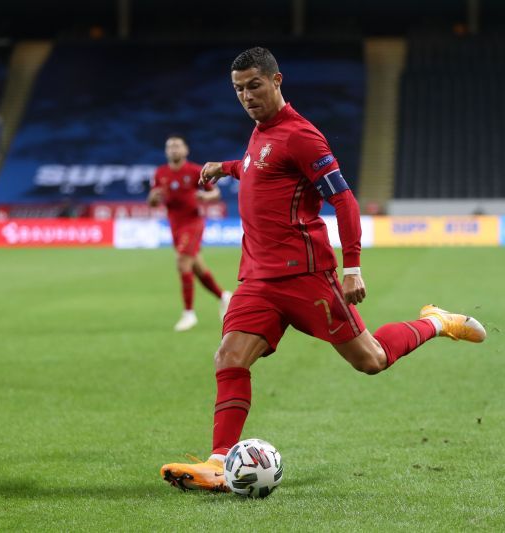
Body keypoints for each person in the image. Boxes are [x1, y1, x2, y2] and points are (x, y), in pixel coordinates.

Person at [160, 48, 486, 491]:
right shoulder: (260, 134)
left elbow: (343, 199)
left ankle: (436, 321)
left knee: (370, 360)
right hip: (257, 280)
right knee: (229, 358)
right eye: (238, 89)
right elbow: (260, 168)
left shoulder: (302, 136)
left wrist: (352, 267)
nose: (247, 96)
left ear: (277, 81)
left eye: (255, 85)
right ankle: (219, 461)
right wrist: (227, 168)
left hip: (306, 277)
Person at [148, 134, 232, 331]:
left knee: (182, 262)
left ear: (186, 150)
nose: (174, 149)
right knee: (196, 267)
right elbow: (153, 202)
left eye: (178, 146)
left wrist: (205, 195)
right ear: (166, 151)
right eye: (170, 147)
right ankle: (223, 297)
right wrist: (152, 197)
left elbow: (216, 193)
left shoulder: (194, 171)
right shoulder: (160, 173)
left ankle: (189, 313)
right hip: (174, 225)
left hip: (192, 223)